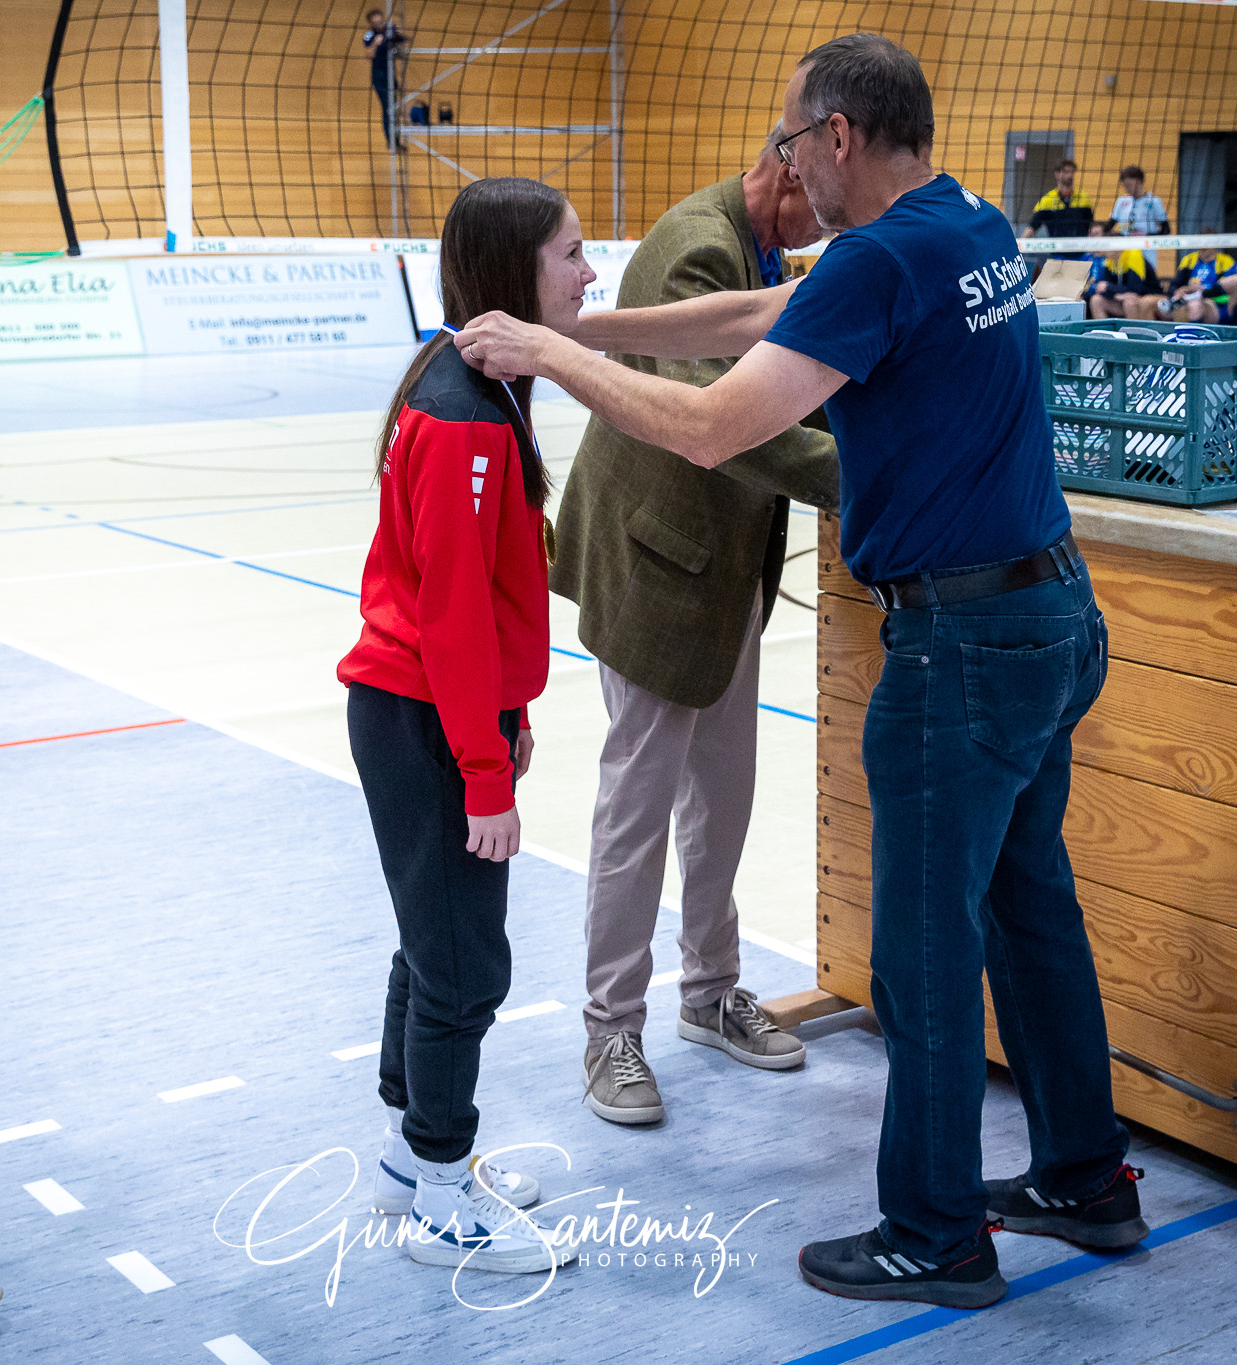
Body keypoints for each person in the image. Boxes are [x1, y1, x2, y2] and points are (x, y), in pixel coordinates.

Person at [455, 33, 1142, 1311]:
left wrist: (554, 359)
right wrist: (578, 323)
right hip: (1051, 618)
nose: (781, 162)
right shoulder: (966, 226)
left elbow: (716, 427)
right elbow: (750, 315)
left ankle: (934, 1235)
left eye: (789, 137)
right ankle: (1084, 1178)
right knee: (1028, 913)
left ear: (835, 137)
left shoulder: (880, 254)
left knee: (925, 955)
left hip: (960, 653)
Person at [558, 124, 838, 1128]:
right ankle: (608, 1033)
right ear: (783, 170)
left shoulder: (768, 249)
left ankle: (708, 994)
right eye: (822, 198)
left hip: (723, 569)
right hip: (656, 564)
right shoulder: (696, 247)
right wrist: (874, 484)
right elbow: (721, 425)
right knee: (636, 808)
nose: (831, 221)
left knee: (722, 792)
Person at [337, 175, 590, 1276]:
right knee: (461, 965)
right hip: (419, 714)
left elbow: (489, 593)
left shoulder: (483, 389)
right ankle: (442, 1188)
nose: (587, 272)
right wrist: (484, 770)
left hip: (445, 707)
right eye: (570, 254)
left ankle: (409, 1152)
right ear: (511, 272)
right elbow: (444, 609)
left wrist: (510, 710)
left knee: (434, 938)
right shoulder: (459, 417)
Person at [361, 8, 411, 151]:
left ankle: (396, 139)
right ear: (371, 23)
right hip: (380, 76)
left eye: (380, 20)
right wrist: (376, 43)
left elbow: (402, 40)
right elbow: (368, 54)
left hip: (391, 75)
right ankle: (391, 141)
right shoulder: (369, 35)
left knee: (394, 108)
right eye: (375, 22)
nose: (379, 24)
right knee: (388, 109)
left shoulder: (389, 31)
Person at [1085, 226, 1158, 320]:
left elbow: (1135, 289)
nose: (1102, 251)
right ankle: (1103, 333)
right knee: (1096, 300)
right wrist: (1115, 293)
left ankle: (1134, 334)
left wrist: (1109, 287)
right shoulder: (1110, 260)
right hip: (1123, 297)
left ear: (1116, 247)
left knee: (1129, 302)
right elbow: (1102, 289)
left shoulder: (1133, 254)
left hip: (1146, 296)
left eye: (1105, 247)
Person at [1160, 245, 1235, 323]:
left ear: (1214, 245)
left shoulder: (1226, 261)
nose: (1203, 247)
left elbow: (1224, 288)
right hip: (1189, 296)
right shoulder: (1189, 259)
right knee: (1177, 304)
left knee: (1194, 305)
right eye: (1201, 244)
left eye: (1206, 244)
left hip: (1214, 299)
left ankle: (1193, 333)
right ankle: (1180, 333)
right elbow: (1174, 284)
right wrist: (1179, 291)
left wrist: (1202, 291)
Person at [1023, 158, 1094, 240]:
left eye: (1072, 172)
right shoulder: (1048, 200)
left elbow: (1091, 226)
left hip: (1080, 249)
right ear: (1057, 174)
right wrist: (1020, 244)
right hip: (1057, 250)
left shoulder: (1083, 198)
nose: (1070, 175)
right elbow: (1032, 226)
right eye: (1066, 172)